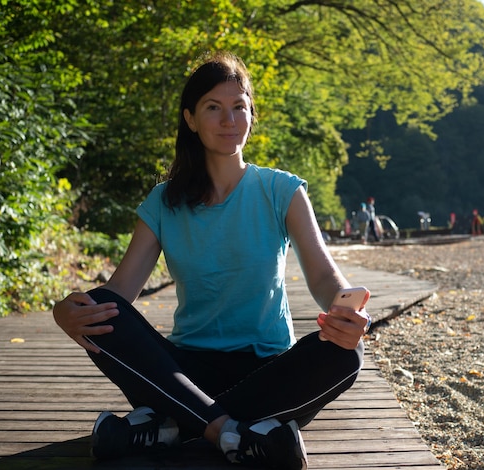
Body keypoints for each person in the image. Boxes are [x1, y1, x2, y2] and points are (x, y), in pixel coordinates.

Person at [52, 51, 371, 470]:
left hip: (269, 370)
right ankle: (240, 434)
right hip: (185, 373)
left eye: (239, 107)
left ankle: (172, 427)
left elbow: (322, 273)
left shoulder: (283, 190)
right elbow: (119, 294)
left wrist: (343, 307)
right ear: (190, 118)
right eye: (213, 108)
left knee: (346, 355)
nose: (229, 120)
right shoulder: (163, 202)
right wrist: (66, 312)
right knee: (102, 310)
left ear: (252, 116)